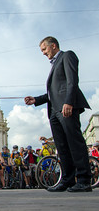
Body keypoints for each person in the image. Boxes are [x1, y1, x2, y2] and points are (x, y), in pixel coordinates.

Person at [25, 36, 91, 192]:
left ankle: (84, 180)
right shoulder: (54, 64)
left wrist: (69, 102)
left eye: (44, 49)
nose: (43, 53)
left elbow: (72, 81)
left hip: (66, 108)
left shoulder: (67, 55)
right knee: (62, 146)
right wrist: (36, 99)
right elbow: (53, 93)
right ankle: (67, 180)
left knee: (74, 143)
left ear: (53, 45)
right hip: (54, 111)